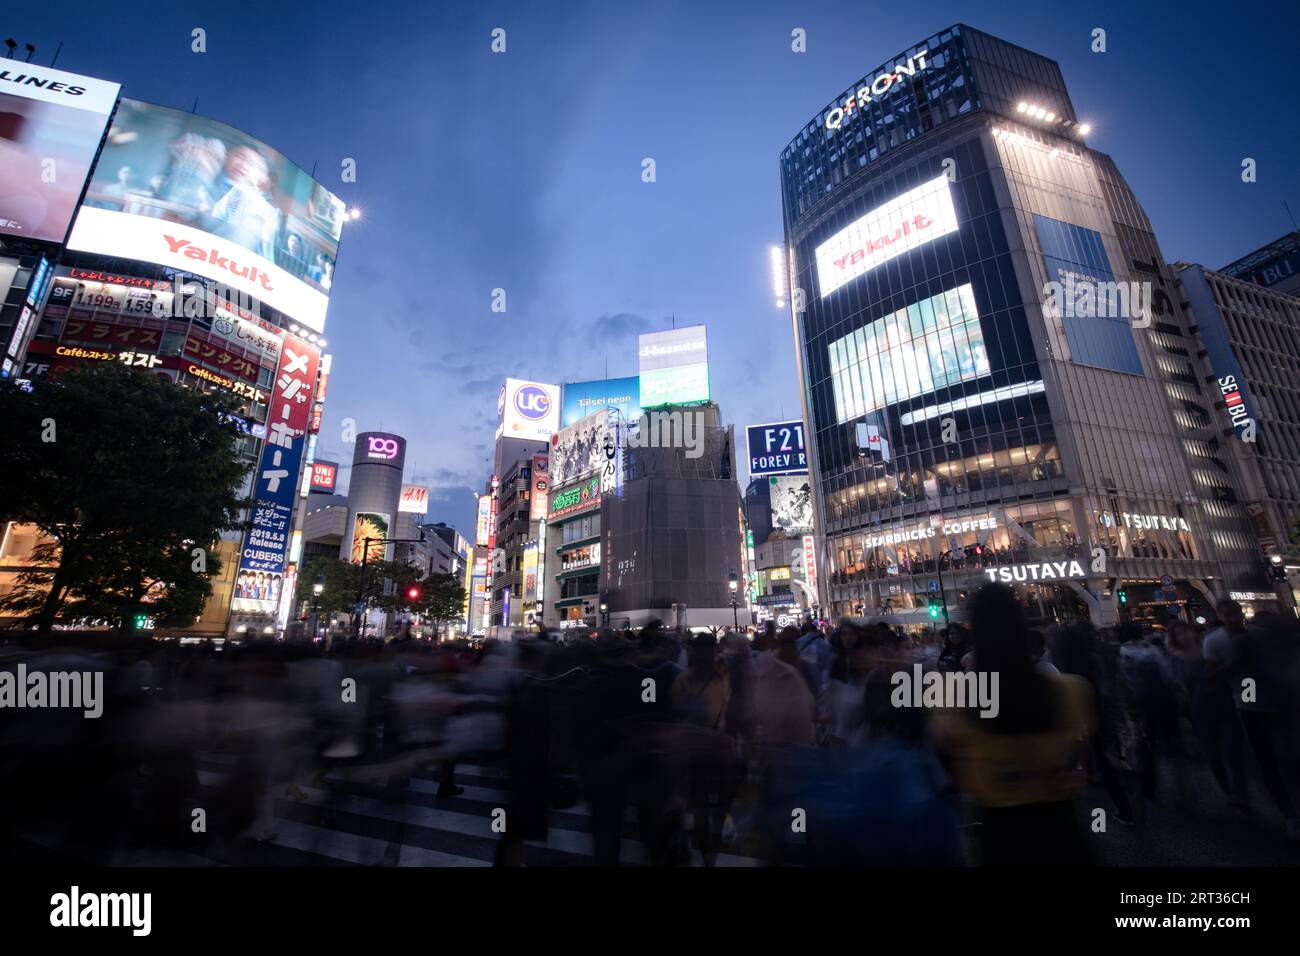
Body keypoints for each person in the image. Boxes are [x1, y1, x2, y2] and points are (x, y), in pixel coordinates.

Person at [933, 583, 1095, 866]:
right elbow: (1078, 755)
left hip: (1000, 831)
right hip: (1060, 828)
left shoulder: (954, 697)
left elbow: (954, 771)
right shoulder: (1071, 691)